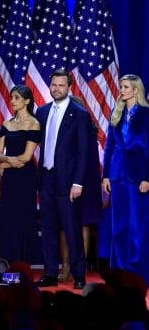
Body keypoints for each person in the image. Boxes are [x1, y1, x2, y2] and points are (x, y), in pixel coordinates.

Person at [36, 70, 91, 290]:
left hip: (68, 182)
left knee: (71, 229)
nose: (56, 88)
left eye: (61, 85)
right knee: (48, 228)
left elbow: (83, 151)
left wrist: (78, 182)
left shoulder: (79, 114)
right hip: (46, 179)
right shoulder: (42, 111)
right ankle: (50, 272)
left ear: (69, 87)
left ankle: (79, 274)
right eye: (53, 85)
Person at [101, 74, 149, 282]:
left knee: (137, 226)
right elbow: (110, 146)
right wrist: (105, 175)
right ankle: (119, 272)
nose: (121, 90)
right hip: (118, 174)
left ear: (136, 90)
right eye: (121, 86)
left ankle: (137, 273)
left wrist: (147, 177)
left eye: (125, 87)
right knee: (118, 225)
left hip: (138, 175)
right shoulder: (117, 113)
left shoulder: (146, 114)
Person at [0, 85, 41, 265]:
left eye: (16, 98)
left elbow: (27, 157)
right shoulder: (7, 124)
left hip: (25, 178)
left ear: (27, 101)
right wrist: (5, 161)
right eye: (12, 97)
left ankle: (22, 262)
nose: (12, 101)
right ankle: (6, 260)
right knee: (8, 217)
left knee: (23, 218)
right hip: (10, 180)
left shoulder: (34, 124)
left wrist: (4, 164)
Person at [60, 94, 103, 282]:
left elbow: (88, 160)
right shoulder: (85, 129)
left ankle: (77, 268)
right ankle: (68, 266)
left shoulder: (87, 131)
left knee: (80, 223)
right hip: (73, 181)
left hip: (83, 182)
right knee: (66, 224)